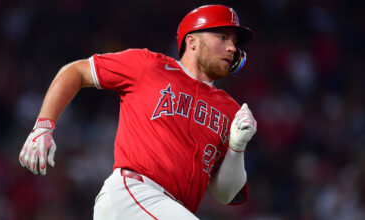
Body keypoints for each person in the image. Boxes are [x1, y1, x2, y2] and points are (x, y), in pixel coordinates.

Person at [19, 4, 257, 220]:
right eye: (222, 37)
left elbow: (226, 194)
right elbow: (76, 71)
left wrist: (237, 147)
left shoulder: (231, 111)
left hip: (169, 209)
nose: (231, 48)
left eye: (235, 42)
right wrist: (43, 126)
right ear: (192, 42)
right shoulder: (149, 66)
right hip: (133, 195)